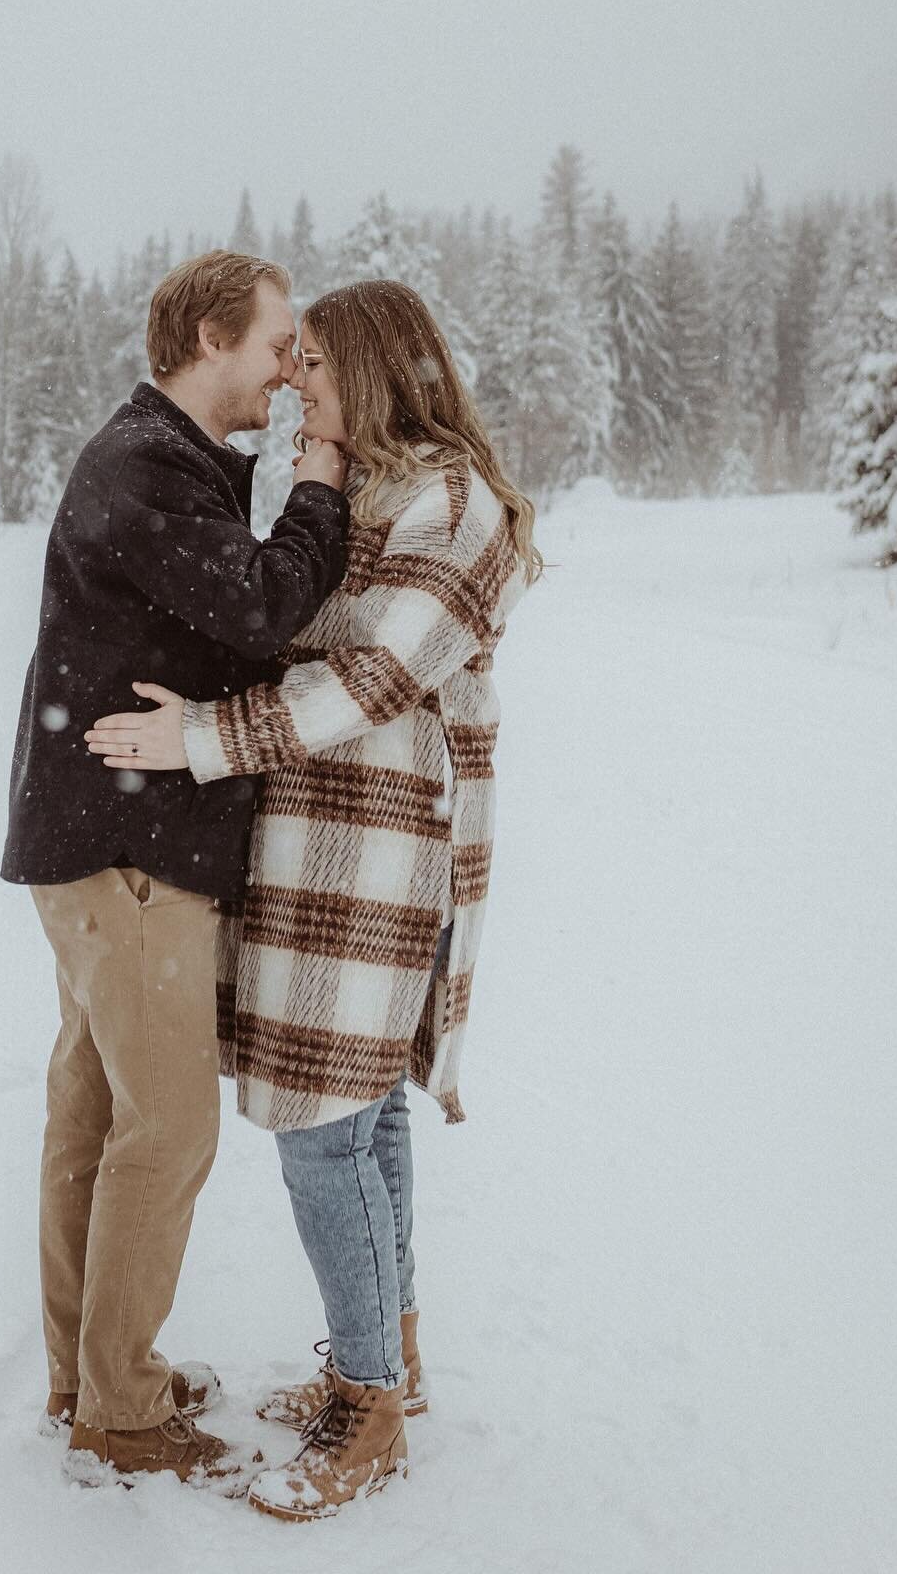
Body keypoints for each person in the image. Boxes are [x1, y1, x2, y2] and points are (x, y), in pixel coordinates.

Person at [85, 278, 539, 1519]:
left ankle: (367, 1406)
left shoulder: (458, 502)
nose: (299, 384)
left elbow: (377, 678)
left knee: (317, 1136)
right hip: (308, 848)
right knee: (360, 1112)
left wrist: (205, 741)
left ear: (381, 369)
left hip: (383, 858)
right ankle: (384, 1360)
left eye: (319, 364)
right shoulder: (358, 486)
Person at [0, 250, 350, 1491]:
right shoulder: (147, 463)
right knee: (169, 1130)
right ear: (210, 336)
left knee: (94, 1119)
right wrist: (321, 477)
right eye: (276, 345)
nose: (289, 370)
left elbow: (226, 597)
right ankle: (124, 1413)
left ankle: (91, 1379)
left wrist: (273, 466)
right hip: (129, 852)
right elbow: (262, 607)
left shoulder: (163, 459)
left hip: (102, 848)